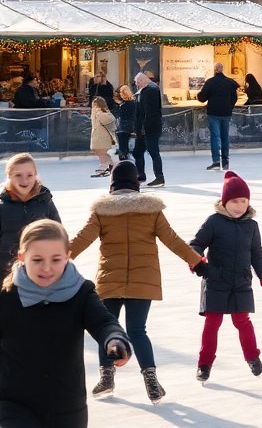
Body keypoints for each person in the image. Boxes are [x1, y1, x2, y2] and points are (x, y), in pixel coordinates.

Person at [71, 160, 204, 403]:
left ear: (112, 184)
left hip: (110, 280)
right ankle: (151, 381)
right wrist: (197, 262)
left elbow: (81, 240)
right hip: (143, 280)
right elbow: (173, 240)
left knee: (105, 330)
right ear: (137, 183)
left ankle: (107, 377)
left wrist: (55, 260)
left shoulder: (102, 211)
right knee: (137, 330)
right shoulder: (151, 211)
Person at [0, 219, 131, 428]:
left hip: (67, 405)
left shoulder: (82, 293)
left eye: (56, 259)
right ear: (22, 258)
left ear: (68, 257)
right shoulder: (7, 298)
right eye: (37, 260)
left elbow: (104, 322)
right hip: (14, 403)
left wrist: (114, 339)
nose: (47, 268)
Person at [189, 171, 262, 383]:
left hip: (241, 282)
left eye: (244, 201)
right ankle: (204, 364)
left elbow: (256, 254)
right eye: (235, 201)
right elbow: (196, 244)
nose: (239, 206)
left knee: (243, 321)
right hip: (215, 280)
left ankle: (252, 356)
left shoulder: (252, 226)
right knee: (212, 323)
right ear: (225, 202)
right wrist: (197, 261)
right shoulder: (214, 222)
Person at [0, 154, 60, 273]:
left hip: (41, 272)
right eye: (18, 175)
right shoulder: (2, 206)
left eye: (30, 175)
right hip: (6, 273)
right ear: (9, 176)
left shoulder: (44, 201)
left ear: (35, 175)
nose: (25, 180)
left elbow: (58, 235)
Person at [197, 63, 239, 172]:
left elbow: (202, 97)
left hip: (213, 112)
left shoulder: (210, 82)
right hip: (226, 113)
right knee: (225, 136)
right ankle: (225, 161)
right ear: (222, 70)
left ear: (215, 70)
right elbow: (234, 98)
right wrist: (229, 106)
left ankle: (216, 161)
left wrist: (198, 95)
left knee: (215, 136)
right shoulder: (230, 83)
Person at [133, 72, 164, 187]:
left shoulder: (151, 90)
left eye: (137, 83)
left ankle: (159, 177)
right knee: (138, 152)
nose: (137, 86)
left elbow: (149, 111)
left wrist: (144, 127)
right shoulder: (146, 90)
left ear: (142, 81)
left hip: (149, 128)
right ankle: (140, 174)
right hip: (143, 128)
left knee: (153, 152)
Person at [89, 96, 117, 177]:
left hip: (102, 138)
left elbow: (111, 123)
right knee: (102, 153)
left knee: (102, 153)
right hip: (99, 137)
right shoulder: (98, 114)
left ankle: (104, 168)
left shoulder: (101, 114)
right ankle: (111, 167)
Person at [113, 85, 136, 162]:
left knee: (122, 142)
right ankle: (126, 154)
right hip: (131, 125)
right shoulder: (134, 103)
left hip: (123, 125)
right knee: (126, 141)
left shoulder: (123, 105)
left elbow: (119, 115)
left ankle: (123, 156)